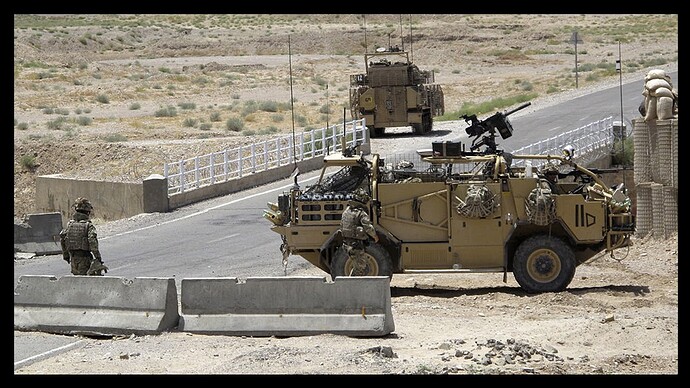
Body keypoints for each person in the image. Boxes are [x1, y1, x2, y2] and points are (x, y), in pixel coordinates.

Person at [60, 197, 108, 276]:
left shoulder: (69, 225)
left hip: (73, 259)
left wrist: (66, 256)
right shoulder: (88, 226)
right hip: (85, 259)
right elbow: (92, 242)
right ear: (88, 212)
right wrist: (98, 258)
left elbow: (63, 239)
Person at [340, 189, 379, 266]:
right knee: (361, 267)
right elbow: (368, 227)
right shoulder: (361, 213)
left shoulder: (347, 211)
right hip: (356, 245)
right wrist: (375, 236)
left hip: (346, 244)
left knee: (355, 265)